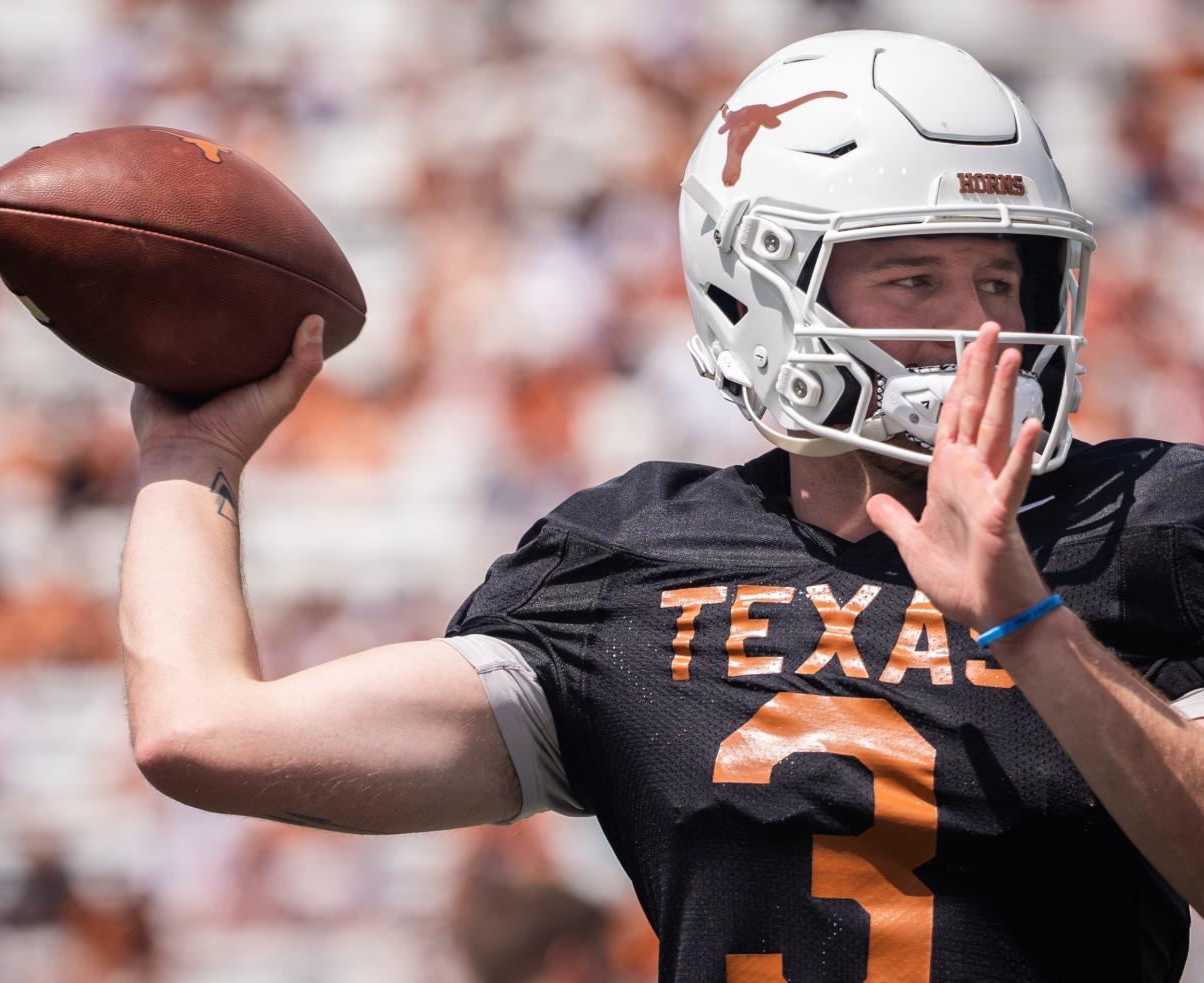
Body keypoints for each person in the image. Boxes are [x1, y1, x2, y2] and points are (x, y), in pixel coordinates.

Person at [118, 30, 1204, 982]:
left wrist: (1026, 618)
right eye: (916, 281)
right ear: (762, 295)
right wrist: (189, 454)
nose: (981, 332)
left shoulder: (1141, 524)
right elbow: (204, 731)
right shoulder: (634, 563)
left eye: (1003, 283)